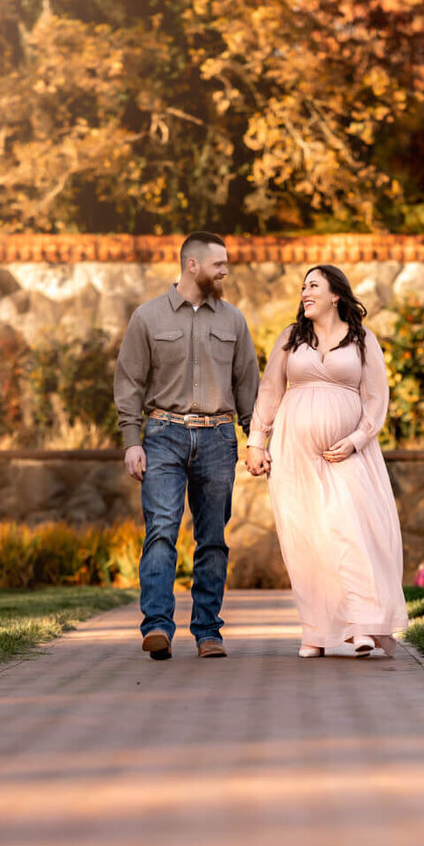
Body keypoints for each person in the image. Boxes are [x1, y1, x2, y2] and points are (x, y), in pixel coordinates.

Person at [244, 265, 408, 658]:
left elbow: (375, 398)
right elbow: (270, 392)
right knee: (306, 539)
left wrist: (355, 440)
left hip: (347, 452)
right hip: (293, 453)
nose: (305, 292)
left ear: (336, 295)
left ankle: (362, 625)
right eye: (303, 286)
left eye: (313, 285)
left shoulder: (362, 340)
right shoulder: (290, 338)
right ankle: (315, 631)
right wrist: (255, 442)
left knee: (348, 531)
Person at [114, 234, 261, 660]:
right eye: (219, 264)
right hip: (163, 435)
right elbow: (129, 383)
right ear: (191, 265)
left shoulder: (233, 320)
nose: (225, 271)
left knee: (212, 539)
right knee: (161, 531)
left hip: (218, 437)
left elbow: (247, 384)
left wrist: (255, 440)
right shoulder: (148, 317)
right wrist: (131, 440)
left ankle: (208, 632)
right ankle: (157, 627)